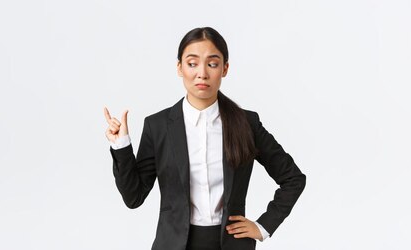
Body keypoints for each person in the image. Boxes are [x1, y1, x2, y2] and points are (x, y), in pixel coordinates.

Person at [103, 27, 306, 250]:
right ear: (179, 67)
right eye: (192, 63)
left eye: (212, 64)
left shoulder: (246, 124)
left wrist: (263, 226)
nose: (202, 73)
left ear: (225, 68)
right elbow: (134, 197)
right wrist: (121, 145)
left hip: (230, 245)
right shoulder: (158, 126)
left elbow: (293, 178)